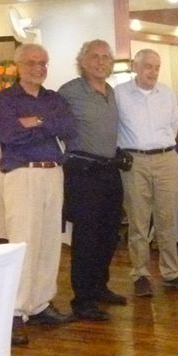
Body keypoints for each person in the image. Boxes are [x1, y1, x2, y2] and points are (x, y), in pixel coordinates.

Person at [0, 43, 77, 346]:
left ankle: (40, 304)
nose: (38, 68)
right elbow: (9, 134)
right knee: (23, 241)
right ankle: (15, 312)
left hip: (53, 172)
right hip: (22, 174)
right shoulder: (5, 100)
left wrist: (34, 121)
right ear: (18, 66)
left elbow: (68, 127)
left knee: (49, 241)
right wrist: (45, 124)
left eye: (43, 63)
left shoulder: (54, 99)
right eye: (31, 63)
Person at [116, 48, 178, 297]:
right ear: (135, 67)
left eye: (157, 67)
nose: (153, 72)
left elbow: (173, 126)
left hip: (166, 159)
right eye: (148, 66)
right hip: (135, 161)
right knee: (138, 221)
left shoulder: (167, 94)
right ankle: (140, 274)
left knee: (168, 219)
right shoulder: (119, 94)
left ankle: (171, 273)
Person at [58, 39, 126, 322]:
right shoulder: (69, 92)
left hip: (110, 171)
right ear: (83, 61)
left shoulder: (111, 91)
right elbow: (56, 126)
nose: (101, 62)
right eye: (95, 56)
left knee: (109, 234)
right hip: (83, 172)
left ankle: (99, 287)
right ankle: (82, 299)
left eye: (106, 57)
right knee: (86, 238)